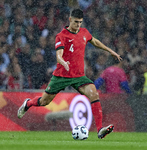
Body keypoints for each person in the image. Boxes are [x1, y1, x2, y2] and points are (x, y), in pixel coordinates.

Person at [17, 9, 122, 139]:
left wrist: (110, 50)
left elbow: (94, 41)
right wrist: (64, 62)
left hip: (78, 76)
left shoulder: (84, 32)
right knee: (44, 101)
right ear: (70, 20)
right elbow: (58, 56)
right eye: (76, 22)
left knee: (94, 93)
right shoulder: (61, 36)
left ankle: (100, 129)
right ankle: (28, 104)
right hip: (61, 76)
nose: (78, 25)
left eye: (80, 22)